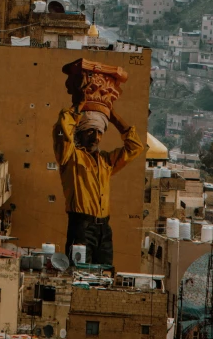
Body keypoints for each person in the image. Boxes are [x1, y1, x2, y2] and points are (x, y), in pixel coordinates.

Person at [52, 59, 144, 266]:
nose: (96, 138)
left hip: (104, 227)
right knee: (80, 271)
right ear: (81, 133)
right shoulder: (70, 157)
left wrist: (110, 115)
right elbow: (63, 129)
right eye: (90, 131)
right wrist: (81, 103)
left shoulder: (106, 162)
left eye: (100, 132)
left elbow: (135, 147)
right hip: (81, 225)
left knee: (105, 272)